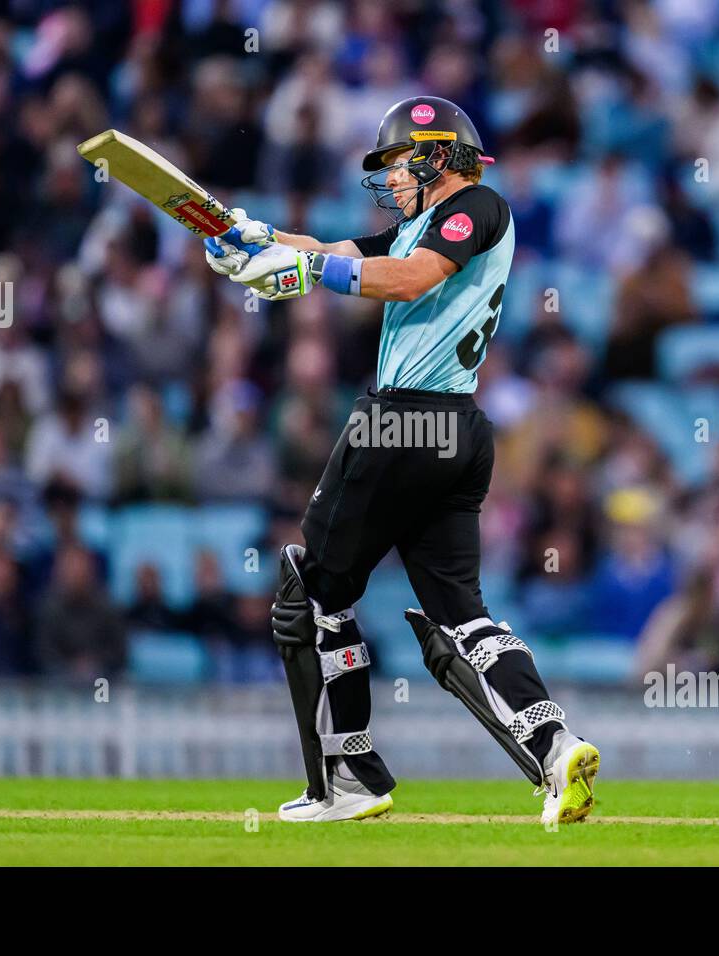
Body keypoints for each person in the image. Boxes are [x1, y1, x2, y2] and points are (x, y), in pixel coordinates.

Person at [204, 96, 598, 824]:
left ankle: (349, 778)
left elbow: (410, 277)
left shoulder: (475, 206)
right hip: (457, 434)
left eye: (398, 163)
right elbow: (349, 253)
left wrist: (299, 274)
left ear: (438, 155)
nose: (389, 179)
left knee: (311, 596)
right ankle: (554, 747)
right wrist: (258, 238)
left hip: (401, 423)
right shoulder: (424, 223)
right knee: (462, 619)